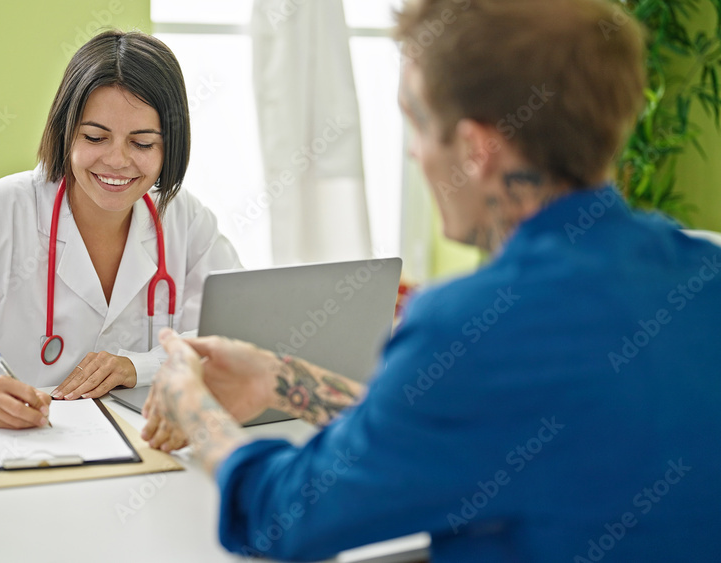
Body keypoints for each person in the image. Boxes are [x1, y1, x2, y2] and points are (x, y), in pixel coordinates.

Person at [141, 0, 721, 560]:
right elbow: (466, 429)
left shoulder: (472, 326)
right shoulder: (702, 278)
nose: (416, 153)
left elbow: (286, 516)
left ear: (477, 149)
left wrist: (195, 408)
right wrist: (280, 379)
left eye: (416, 122)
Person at [0, 30, 240, 429]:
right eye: (95, 137)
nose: (117, 160)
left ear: (171, 146)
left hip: (142, 453)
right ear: (65, 132)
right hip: (13, 452)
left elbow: (236, 342)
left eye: (142, 143)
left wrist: (139, 367)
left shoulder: (186, 221)